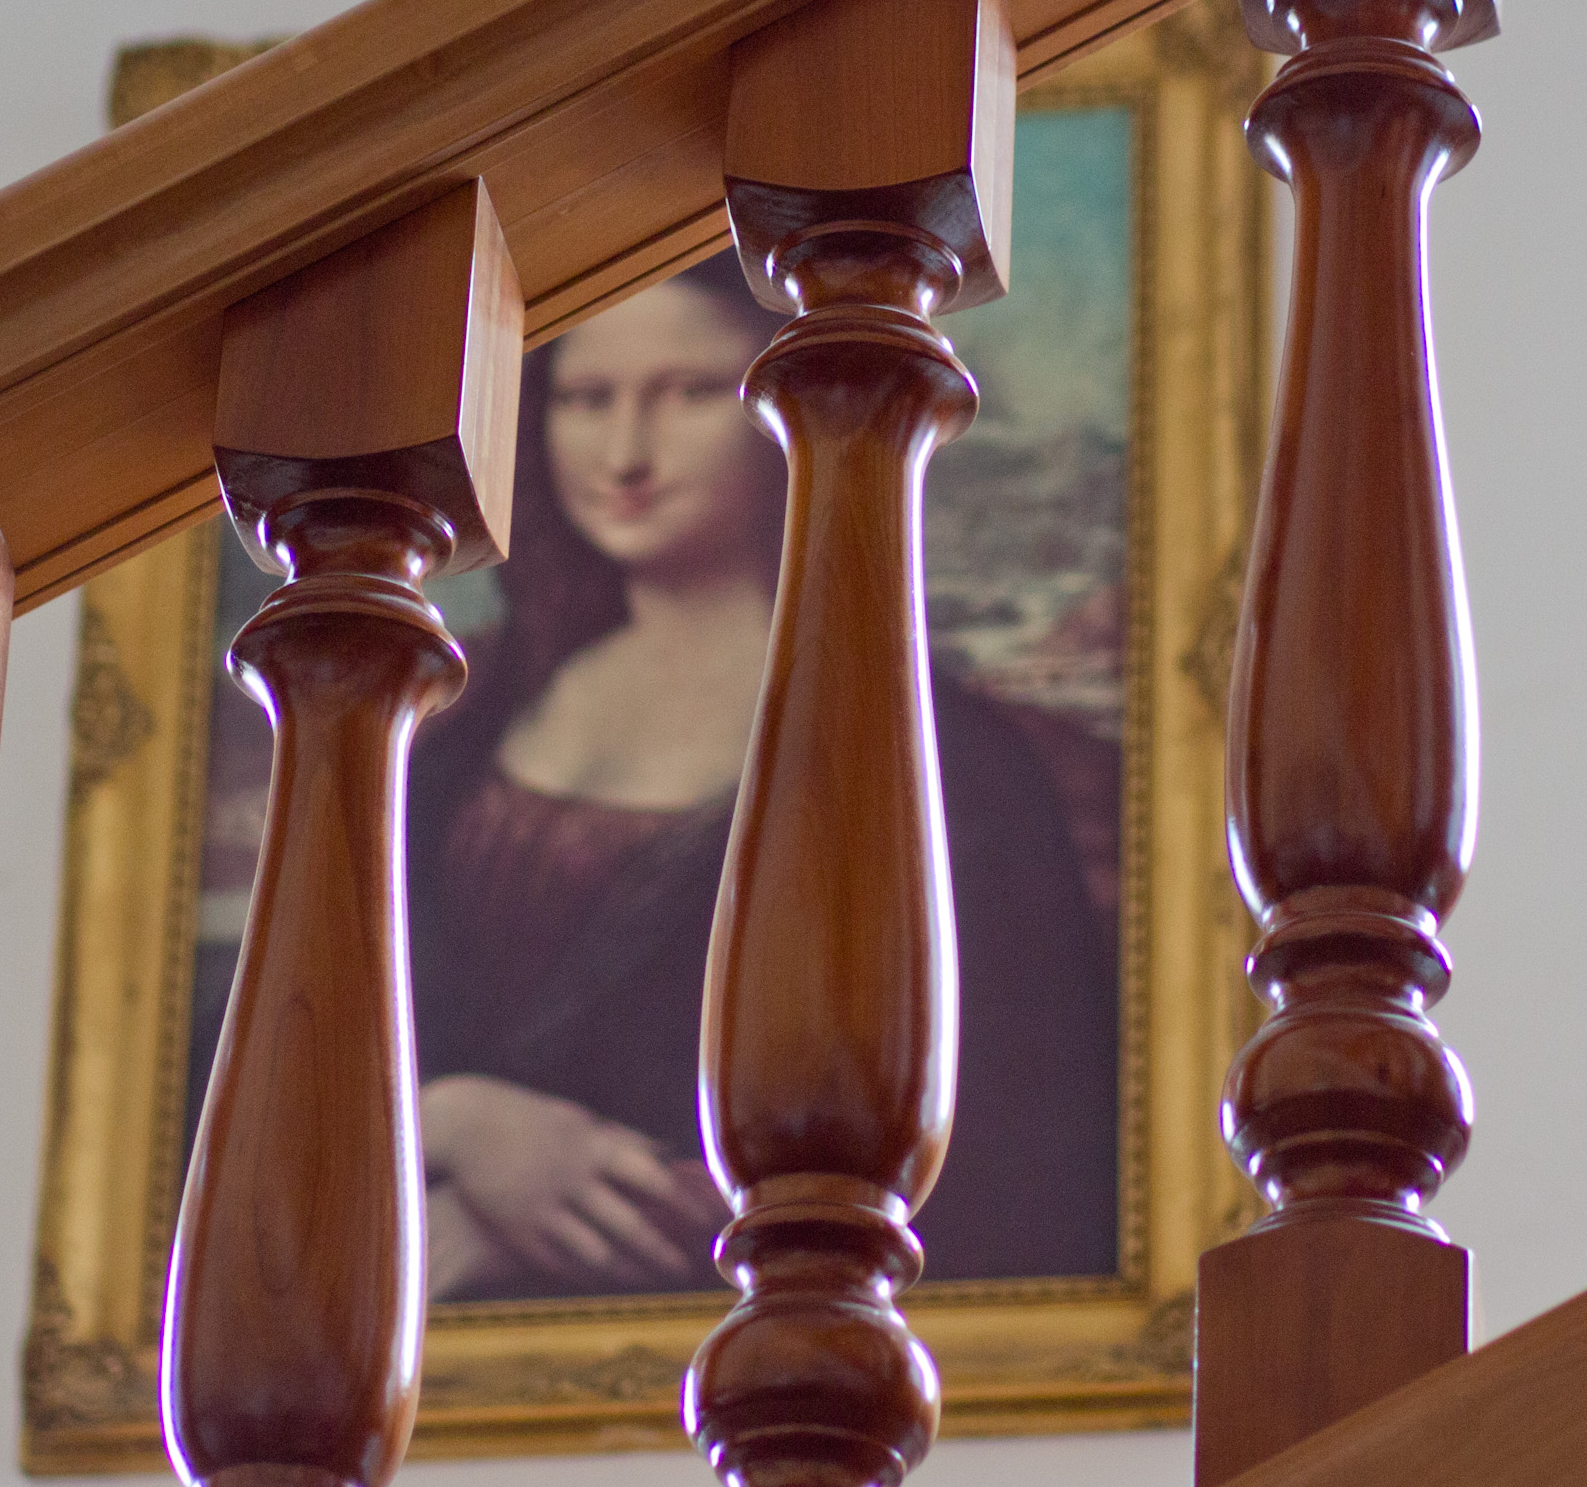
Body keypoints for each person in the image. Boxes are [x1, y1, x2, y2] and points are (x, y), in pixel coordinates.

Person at [407, 254, 1121, 1301]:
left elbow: (1012, 1140)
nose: (625, 453)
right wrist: (460, 1123)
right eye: (587, 399)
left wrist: (533, 1224)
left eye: (690, 393)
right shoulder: (461, 730)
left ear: (788, 411)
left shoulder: (941, 761)